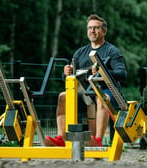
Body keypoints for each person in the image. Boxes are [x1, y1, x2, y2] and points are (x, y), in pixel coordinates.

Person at [44, 14, 127, 147]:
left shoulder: (112, 51)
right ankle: (61, 138)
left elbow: (122, 74)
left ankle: (98, 140)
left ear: (104, 31)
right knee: (62, 97)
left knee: (101, 97)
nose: (92, 31)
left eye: (96, 28)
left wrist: (103, 71)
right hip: (84, 93)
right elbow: (70, 78)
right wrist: (66, 73)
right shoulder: (80, 52)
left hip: (106, 91)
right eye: (90, 28)